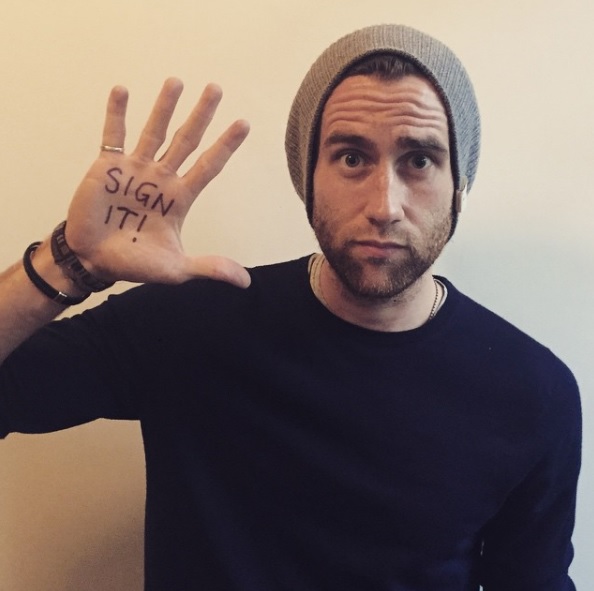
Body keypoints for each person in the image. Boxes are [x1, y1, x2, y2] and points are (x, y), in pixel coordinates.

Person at [0, 24, 581, 591]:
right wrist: (71, 260)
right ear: (307, 175)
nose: (385, 206)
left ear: (460, 185)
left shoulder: (533, 392)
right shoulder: (192, 324)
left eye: (420, 160)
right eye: (351, 158)